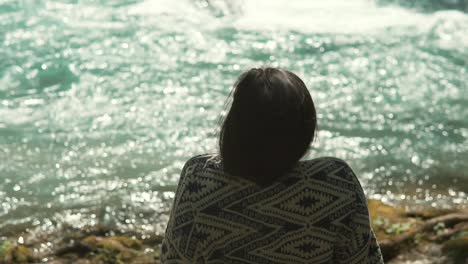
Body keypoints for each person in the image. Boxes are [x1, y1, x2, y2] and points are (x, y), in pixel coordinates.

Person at [161, 68, 384, 263]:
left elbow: (175, 259)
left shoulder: (199, 179)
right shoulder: (335, 182)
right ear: (303, 129)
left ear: (235, 124)